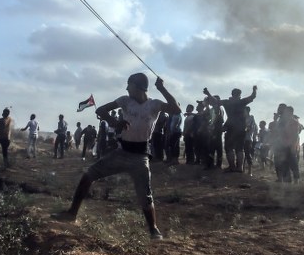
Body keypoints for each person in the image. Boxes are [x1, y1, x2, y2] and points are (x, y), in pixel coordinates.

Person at [52, 72, 180, 239]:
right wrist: (113, 122)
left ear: (138, 87)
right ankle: (71, 214)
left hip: (140, 157)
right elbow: (101, 110)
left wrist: (162, 88)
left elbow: (176, 109)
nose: (127, 88)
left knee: (145, 195)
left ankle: (153, 229)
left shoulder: (154, 105)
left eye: (129, 84)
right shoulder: (125, 101)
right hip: (121, 152)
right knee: (88, 175)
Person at [204, 86, 257, 172]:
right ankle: (239, 168)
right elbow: (253, 96)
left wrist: (208, 93)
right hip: (241, 127)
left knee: (229, 148)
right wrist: (254, 90)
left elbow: (215, 101)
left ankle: (232, 167)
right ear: (239, 95)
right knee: (240, 148)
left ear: (232, 94)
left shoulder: (227, 102)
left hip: (231, 126)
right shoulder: (242, 101)